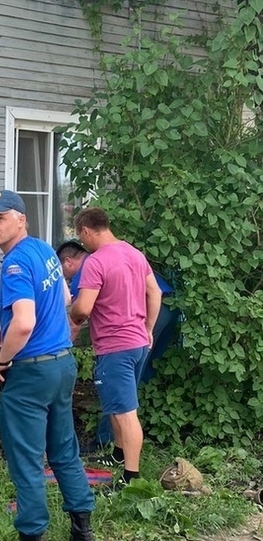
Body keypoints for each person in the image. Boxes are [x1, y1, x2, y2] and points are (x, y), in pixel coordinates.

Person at [0, 189, 96, 541]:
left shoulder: (13, 266)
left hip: (30, 373)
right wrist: (6, 324)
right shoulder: (44, 250)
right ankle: (83, 534)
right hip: (62, 364)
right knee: (64, 451)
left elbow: (26, 322)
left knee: (26, 459)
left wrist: (2, 359)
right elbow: (60, 298)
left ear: (20, 219)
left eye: (0, 218)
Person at [69, 208, 163, 485]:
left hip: (115, 346)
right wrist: (148, 329)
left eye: (80, 236)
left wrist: (71, 315)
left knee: (125, 413)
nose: (82, 242)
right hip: (137, 344)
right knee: (118, 405)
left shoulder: (96, 262)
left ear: (86, 231)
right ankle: (119, 455)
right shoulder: (134, 254)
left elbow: (83, 309)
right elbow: (155, 292)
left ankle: (131, 479)